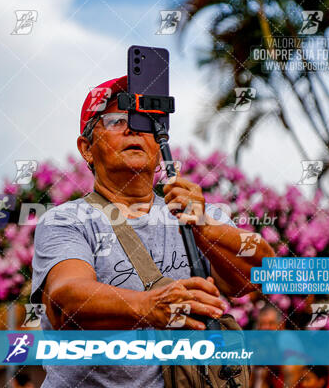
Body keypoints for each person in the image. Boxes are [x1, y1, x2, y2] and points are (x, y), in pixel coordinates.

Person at [31, 75, 274, 387]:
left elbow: (262, 271)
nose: (133, 128)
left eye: (146, 121)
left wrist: (206, 227)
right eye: (117, 120)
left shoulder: (195, 214)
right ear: (87, 149)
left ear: (160, 148)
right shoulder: (66, 220)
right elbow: (66, 301)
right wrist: (149, 306)